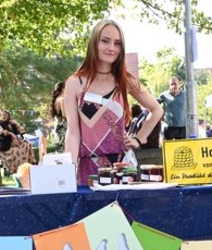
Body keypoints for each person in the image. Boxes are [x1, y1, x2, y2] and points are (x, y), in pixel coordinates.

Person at [63, 19, 163, 185]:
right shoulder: (75, 83)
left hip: (122, 167)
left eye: (117, 43)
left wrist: (139, 139)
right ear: (94, 42)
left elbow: (157, 110)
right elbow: (72, 132)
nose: (111, 48)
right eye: (105, 41)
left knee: (123, 212)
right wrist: (67, 172)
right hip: (87, 169)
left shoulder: (125, 81)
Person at [0, 110, 32, 174]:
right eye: (2, 115)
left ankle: (27, 166)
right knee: (14, 151)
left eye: (5, 115)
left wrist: (16, 124)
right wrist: (10, 133)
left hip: (15, 143)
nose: (3, 116)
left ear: (8, 116)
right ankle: (10, 170)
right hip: (6, 143)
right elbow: (1, 132)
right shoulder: (0, 124)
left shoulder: (12, 123)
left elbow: (22, 132)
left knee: (28, 144)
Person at [49, 82, 67, 152]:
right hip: (63, 127)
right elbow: (64, 114)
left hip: (58, 125)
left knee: (60, 148)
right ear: (63, 89)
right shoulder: (62, 99)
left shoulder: (57, 99)